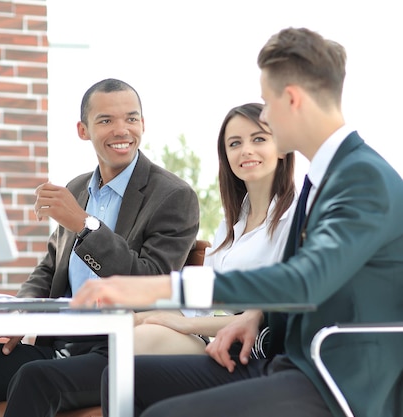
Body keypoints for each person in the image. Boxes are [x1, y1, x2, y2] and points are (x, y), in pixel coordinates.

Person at [72, 27, 403, 417]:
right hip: (283, 361)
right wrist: (259, 316)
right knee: (125, 378)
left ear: (292, 99)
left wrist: (152, 287)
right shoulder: (327, 177)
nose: (263, 116)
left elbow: (304, 280)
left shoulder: (361, 177)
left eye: (266, 103)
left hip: (337, 381)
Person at [0, 78, 200, 417]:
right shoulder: (77, 189)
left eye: (131, 118)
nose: (122, 130)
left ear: (143, 125)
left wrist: (85, 225)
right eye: (106, 120)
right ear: (83, 130)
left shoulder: (173, 196)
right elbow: (48, 270)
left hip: (117, 349)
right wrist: (11, 316)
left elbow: (151, 282)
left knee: (34, 377)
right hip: (57, 346)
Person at [133, 102, 296, 356]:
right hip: (226, 343)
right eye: (235, 143)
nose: (246, 151)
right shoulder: (230, 226)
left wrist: (187, 325)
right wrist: (148, 315)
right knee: (131, 332)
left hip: (263, 350)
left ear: (282, 148)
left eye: (259, 139)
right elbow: (199, 304)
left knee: (139, 341)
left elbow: (267, 316)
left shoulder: (295, 217)